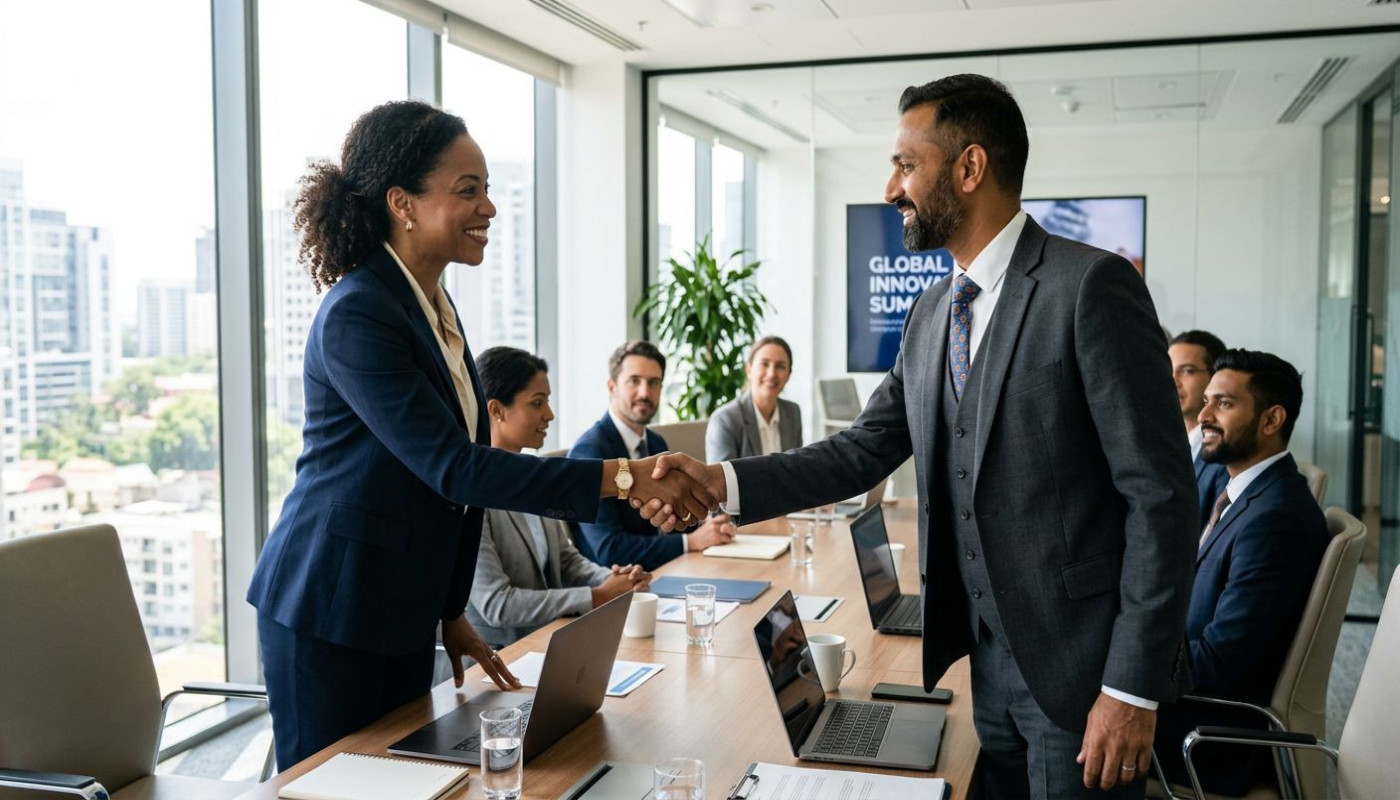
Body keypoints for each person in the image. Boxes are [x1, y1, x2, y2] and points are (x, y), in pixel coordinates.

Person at [645, 74, 1197, 798]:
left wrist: (1132, 689)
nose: (890, 187)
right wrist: (723, 482)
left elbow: (1160, 499)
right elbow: (861, 449)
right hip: (985, 664)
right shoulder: (934, 310)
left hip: (1084, 674)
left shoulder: (1090, 287)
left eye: (907, 165)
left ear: (969, 168)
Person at [245, 101, 713, 768]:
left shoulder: (433, 304)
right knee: (335, 783)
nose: (489, 208)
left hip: (399, 605)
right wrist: (624, 475)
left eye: (487, 189)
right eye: (469, 191)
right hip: (331, 605)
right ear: (402, 203)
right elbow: (456, 468)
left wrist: (448, 609)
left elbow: (444, 486)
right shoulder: (359, 311)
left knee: (401, 778)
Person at [1155, 350, 1328, 796]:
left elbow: (1220, 663)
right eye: (1208, 400)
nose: (1206, 414)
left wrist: (1125, 660)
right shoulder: (1250, 492)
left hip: (1205, 740)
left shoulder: (1276, 519)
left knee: (1050, 720)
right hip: (1189, 711)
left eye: (1225, 404)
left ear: (1272, 420)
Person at [465, 346, 651, 649]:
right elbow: (497, 604)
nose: (549, 415)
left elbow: (566, 560)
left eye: (548, 401)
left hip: (545, 644)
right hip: (495, 661)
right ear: (496, 410)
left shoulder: (534, 478)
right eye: (537, 403)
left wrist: (617, 580)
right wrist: (597, 596)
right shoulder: (471, 493)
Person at [569, 340, 736, 571]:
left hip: (662, 572)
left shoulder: (656, 443)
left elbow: (673, 517)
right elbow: (609, 549)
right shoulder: (590, 452)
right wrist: (691, 542)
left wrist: (707, 527)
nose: (645, 393)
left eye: (653, 382)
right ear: (611, 387)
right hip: (619, 588)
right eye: (634, 381)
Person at [705, 335, 804, 462]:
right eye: (764, 364)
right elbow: (720, 481)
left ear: (789, 374)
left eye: (780, 366)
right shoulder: (725, 420)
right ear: (749, 369)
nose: (772, 374)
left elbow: (797, 468)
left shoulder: (793, 412)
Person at [1169, 329, 1230, 527]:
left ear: (1216, 377)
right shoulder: (1168, 443)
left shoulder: (1228, 454)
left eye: (1187, 371)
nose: (1172, 380)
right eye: (1168, 369)